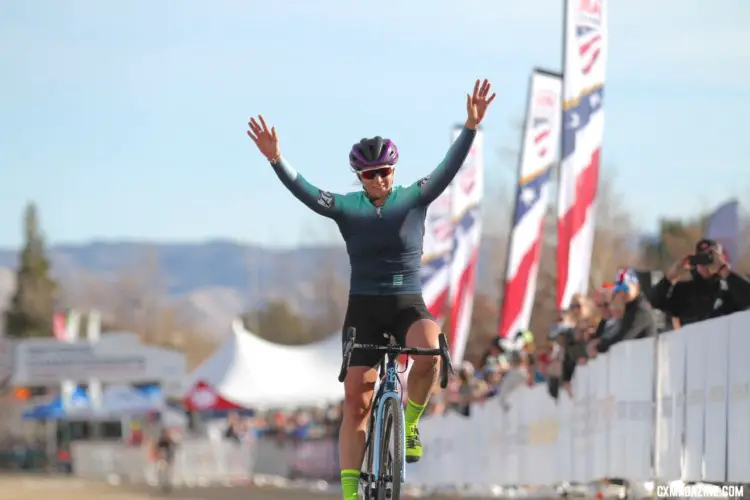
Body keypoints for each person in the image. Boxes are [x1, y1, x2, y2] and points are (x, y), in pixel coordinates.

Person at [247, 79, 496, 500]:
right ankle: (349, 493)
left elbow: (448, 169)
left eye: (383, 172)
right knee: (356, 404)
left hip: (406, 303)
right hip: (363, 309)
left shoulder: (413, 198)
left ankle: (410, 422)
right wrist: (277, 160)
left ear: (393, 172)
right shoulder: (348, 208)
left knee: (432, 354)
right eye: (369, 174)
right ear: (359, 177)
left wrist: (471, 127)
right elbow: (306, 193)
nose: (377, 179)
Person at [647, 239, 750, 326]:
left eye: (710, 257)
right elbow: (654, 302)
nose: (705, 262)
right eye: (701, 258)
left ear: (721, 259)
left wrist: (723, 269)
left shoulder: (731, 288)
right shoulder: (685, 291)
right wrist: (671, 277)